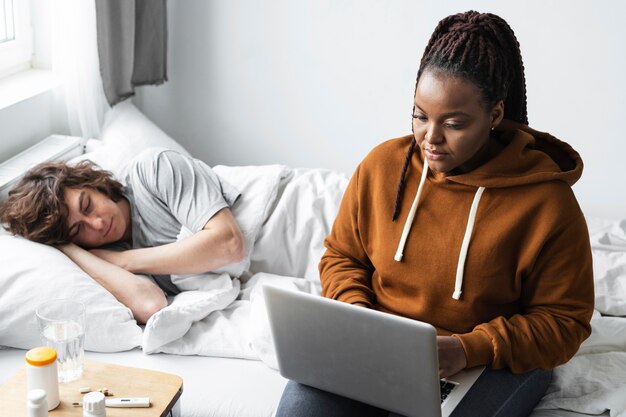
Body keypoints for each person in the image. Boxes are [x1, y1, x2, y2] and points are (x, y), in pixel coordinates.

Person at [275, 10, 594, 417]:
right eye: (420, 116)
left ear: (495, 115)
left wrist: (467, 349)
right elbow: (342, 256)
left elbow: (564, 321)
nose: (431, 138)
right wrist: (356, 317)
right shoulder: (381, 167)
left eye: (455, 123)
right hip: (376, 348)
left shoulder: (546, 202)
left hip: (491, 361)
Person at [0, 148, 246, 324]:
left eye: (87, 205)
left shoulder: (153, 169)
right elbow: (151, 306)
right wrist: (69, 249)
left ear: (93, 184)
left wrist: (126, 260)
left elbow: (229, 244)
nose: (97, 224)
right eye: (78, 230)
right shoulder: (107, 257)